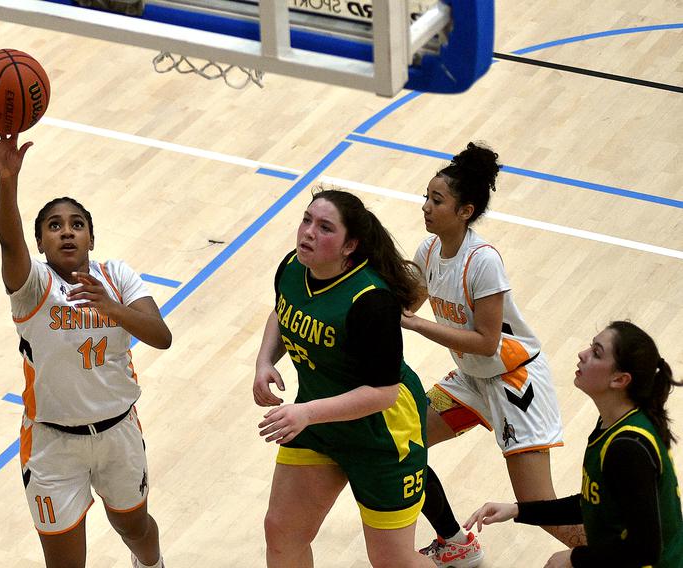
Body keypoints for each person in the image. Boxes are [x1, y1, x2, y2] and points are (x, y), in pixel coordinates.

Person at [0, 129, 172, 568]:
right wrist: (7, 182)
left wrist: (111, 307)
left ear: (91, 239)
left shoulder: (117, 276)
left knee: (134, 527)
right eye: (54, 226)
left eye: (77, 225)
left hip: (118, 432)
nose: (67, 232)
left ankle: (152, 565)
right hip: (52, 444)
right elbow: (9, 242)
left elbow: (161, 334)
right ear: (41, 244)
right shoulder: (34, 288)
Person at [400, 142, 584, 567]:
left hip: (515, 383)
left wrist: (414, 324)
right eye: (425, 197)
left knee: (539, 508)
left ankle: (623, 555)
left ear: (465, 211)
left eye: (436, 200)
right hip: (471, 380)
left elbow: (486, 341)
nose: (425, 206)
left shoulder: (482, 262)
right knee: (403, 443)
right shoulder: (428, 252)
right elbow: (404, 302)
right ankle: (455, 541)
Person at [253, 189, 434, 568]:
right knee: (281, 531)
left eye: (324, 228)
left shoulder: (371, 301)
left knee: (392, 560)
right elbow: (282, 312)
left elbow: (384, 393)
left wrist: (306, 413)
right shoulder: (293, 267)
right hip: (320, 422)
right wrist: (265, 360)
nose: (307, 233)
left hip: (382, 434)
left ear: (350, 245)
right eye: (306, 220)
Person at [465, 321, 683, 567]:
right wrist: (518, 510)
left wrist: (574, 557)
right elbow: (596, 502)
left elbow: (644, 550)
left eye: (596, 353)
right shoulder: (614, 423)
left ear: (620, 380)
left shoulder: (627, 448)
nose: (583, 354)